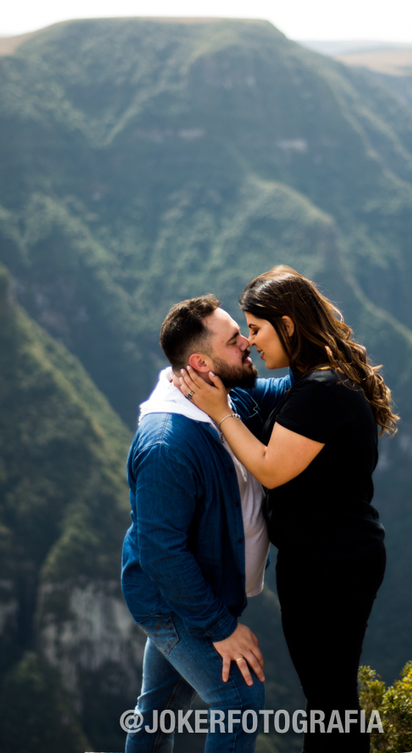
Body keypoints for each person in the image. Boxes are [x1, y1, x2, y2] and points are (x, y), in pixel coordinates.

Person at [174, 265, 397, 753]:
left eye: (255, 329)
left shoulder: (321, 390)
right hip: (325, 558)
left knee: (329, 699)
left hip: (333, 564)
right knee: (328, 696)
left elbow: (270, 469)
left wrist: (219, 413)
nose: (250, 342)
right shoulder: (311, 382)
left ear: (289, 325)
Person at [121, 294, 293, 753]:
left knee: (158, 712)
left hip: (201, 590)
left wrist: (322, 360)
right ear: (200, 361)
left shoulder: (219, 389)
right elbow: (161, 552)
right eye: (235, 339)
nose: (247, 344)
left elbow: (285, 395)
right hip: (174, 600)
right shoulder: (167, 445)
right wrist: (220, 627)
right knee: (239, 697)